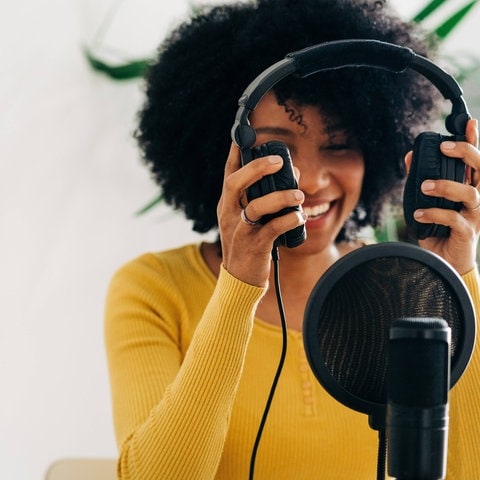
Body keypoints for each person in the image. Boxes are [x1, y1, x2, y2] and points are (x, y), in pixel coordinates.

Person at [104, 0, 480, 478]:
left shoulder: (408, 289)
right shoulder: (155, 290)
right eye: (276, 149)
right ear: (223, 159)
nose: (314, 181)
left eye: (340, 145)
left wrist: (454, 279)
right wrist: (239, 284)